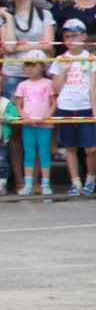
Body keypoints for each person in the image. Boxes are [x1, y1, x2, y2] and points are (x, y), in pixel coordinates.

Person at [49, 19, 96, 195]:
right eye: (67, 36)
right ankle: (75, 182)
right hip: (66, 106)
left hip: (86, 106)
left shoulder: (91, 58)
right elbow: (56, 88)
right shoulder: (60, 59)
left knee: (91, 148)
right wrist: (63, 70)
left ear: (84, 36)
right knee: (70, 147)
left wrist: (94, 110)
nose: (71, 39)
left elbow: (93, 87)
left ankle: (91, 178)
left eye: (75, 35)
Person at [0, 0, 56, 100]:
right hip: (13, 73)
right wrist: (9, 17)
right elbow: (9, 47)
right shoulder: (4, 15)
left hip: (40, 73)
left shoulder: (44, 14)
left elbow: (48, 46)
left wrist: (18, 47)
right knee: (13, 115)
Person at [13, 50, 57, 196]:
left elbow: (53, 103)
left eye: (34, 65)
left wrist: (46, 117)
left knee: (44, 153)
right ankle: (28, 184)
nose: (30, 69)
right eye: (27, 65)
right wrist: (24, 116)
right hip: (28, 124)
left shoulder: (49, 83)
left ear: (43, 66)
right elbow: (18, 104)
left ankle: (45, 184)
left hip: (44, 125)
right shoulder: (22, 85)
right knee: (29, 153)